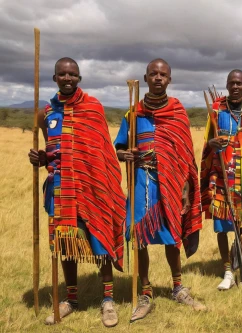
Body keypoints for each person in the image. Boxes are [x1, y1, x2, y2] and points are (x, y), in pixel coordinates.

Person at [28, 57, 126, 327]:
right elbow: (52, 151)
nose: (67, 78)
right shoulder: (46, 114)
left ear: (79, 78)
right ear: (55, 78)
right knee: (65, 244)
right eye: (62, 74)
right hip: (61, 189)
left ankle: (108, 300)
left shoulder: (93, 108)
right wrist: (41, 158)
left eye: (72, 74)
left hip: (93, 185)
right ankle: (71, 299)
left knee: (100, 240)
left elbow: (102, 150)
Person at [115, 58, 205, 322]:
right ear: (145, 79)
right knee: (140, 238)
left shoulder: (178, 112)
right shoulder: (133, 114)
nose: (157, 78)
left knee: (171, 237)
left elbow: (186, 157)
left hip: (172, 184)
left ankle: (178, 287)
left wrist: (186, 191)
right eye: (152, 74)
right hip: (142, 183)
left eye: (162, 74)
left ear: (169, 79)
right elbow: (119, 148)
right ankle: (145, 291)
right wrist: (126, 156)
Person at [200, 69, 242, 290]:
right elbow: (208, 142)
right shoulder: (217, 109)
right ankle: (228, 270)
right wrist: (212, 144)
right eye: (232, 83)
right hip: (223, 173)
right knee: (222, 225)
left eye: (239, 83)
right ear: (227, 85)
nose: (236, 87)